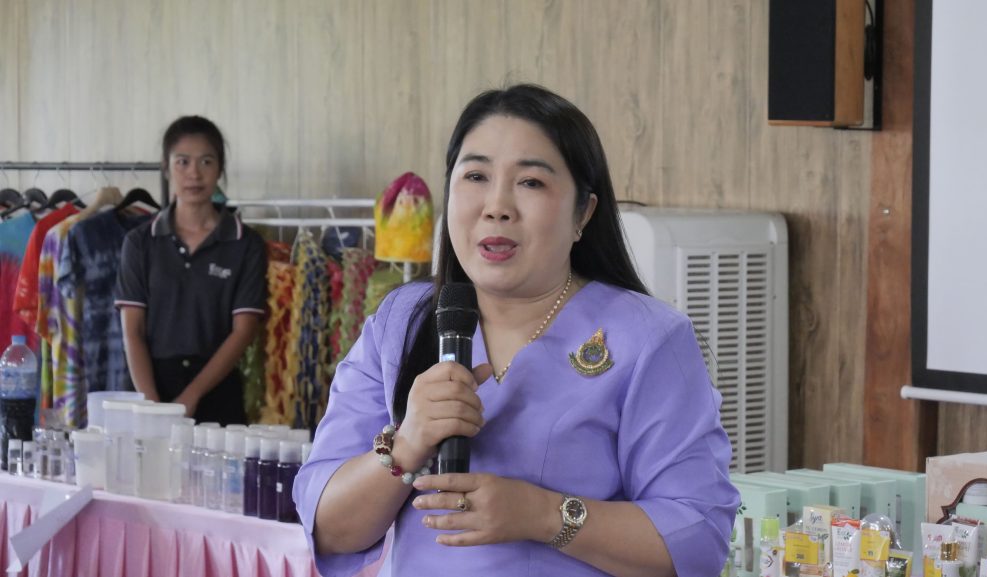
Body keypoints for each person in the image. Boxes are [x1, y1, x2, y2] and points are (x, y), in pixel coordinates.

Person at [295, 85, 739, 576]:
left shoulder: (647, 338)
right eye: (476, 176)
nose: (497, 206)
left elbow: (697, 539)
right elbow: (329, 529)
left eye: (530, 182)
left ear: (583, 213)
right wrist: (407, 443)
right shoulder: (402, 320)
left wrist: (541, 514)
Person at [114, 116, 267, 424]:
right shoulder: (140, 242)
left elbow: (243, 330)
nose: (194, 174)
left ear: (220, 169)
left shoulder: (245, 243)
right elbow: (133, 331)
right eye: (182, 162)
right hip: (149, 388)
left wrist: (191, 396)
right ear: (166, 167)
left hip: (216, 392)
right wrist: (152, 405)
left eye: (206, 161)